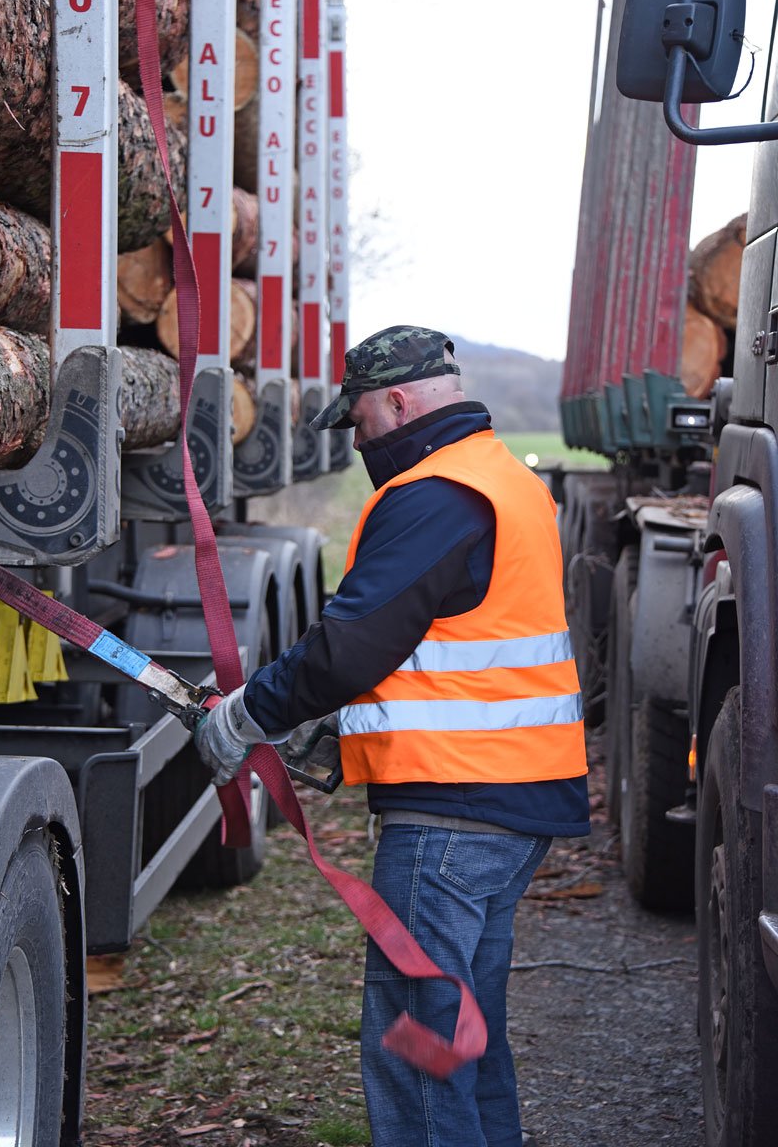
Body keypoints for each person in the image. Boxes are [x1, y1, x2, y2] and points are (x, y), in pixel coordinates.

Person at [196, 325, 590, 1147]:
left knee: (417, 1044)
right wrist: (347, 730)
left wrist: (244, 715)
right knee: (456, 1038)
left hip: (455, 813)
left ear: (398, 402)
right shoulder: (501, 478)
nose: (362, 438)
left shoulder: (435, 494)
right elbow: (452, 643)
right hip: (508, 799)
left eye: (363, 420)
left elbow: (351, 643)